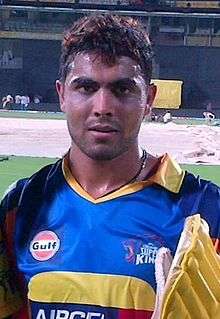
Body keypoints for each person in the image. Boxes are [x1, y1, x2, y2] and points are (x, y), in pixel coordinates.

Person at [0, 14, 219, 319]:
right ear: (62, 95)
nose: (103, 107)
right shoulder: (20, 206)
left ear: (149, 99)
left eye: (123, 90)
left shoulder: (206, 213)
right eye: (86, 88)